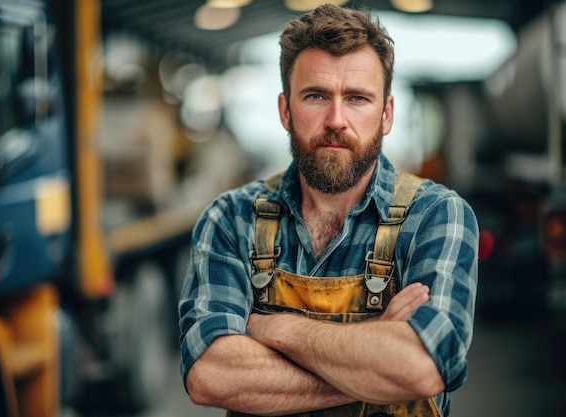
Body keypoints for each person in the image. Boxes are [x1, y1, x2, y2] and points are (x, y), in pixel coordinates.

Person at [179, 4, 478, 417]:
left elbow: (422, 367)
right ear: (285, 110)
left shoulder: (435, 216)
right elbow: (211, 375)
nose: (336, 119)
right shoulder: (232, 218)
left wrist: (276, 328)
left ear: (386, 114)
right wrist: (376, 356)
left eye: (357, 98)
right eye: (316, 96)